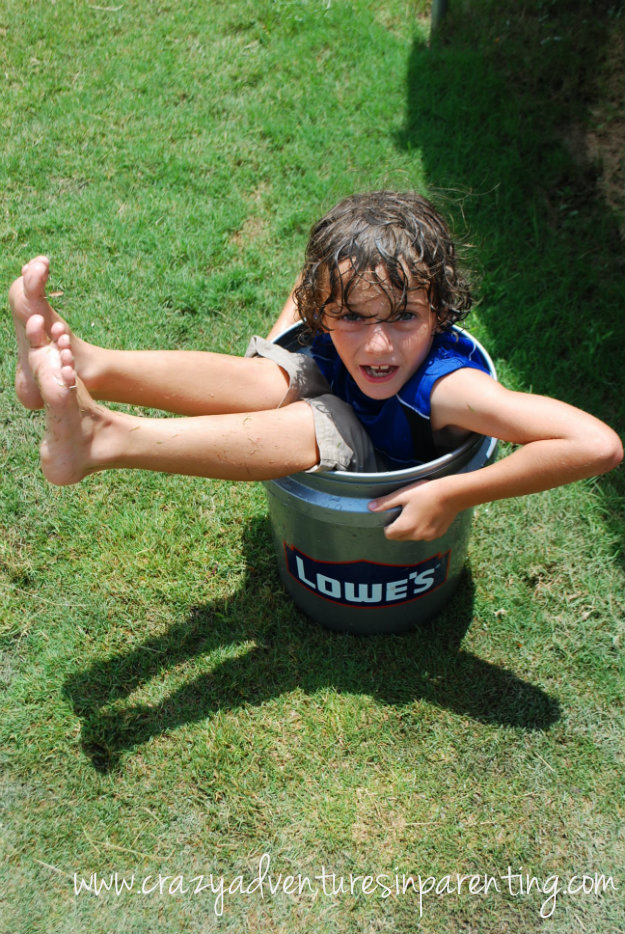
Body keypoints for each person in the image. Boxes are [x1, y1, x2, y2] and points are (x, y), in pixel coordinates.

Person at [8, 191, 622, 542]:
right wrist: (291, 338)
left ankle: (110, 437)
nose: (378, 345)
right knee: (271, 375)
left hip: (389, 466)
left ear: (439, 314)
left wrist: (452, 492)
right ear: (324, 309)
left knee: (321, 415)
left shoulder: (450, 389)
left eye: (404, 317)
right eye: (351, 315)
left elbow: (595, 443)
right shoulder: (335, 323)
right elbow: (310, 290)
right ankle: (87, 365)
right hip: (341, 378)